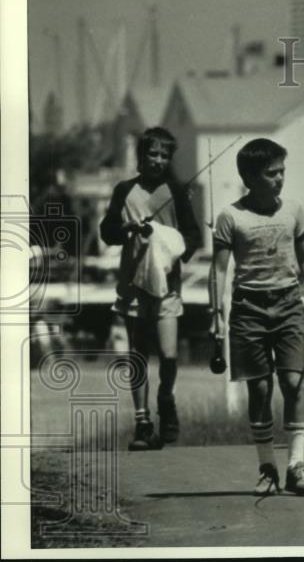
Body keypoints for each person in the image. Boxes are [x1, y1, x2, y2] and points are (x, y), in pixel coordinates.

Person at [212, 138, 304, 495]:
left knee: (294, 383)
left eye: (282, 172)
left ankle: (297, 466)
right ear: (250, 177)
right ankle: (267, 468)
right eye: (271, 173)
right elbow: (219, 271)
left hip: (289, 304)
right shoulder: (231, 216)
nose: (279, 179)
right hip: (249, 309)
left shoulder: (293, 210)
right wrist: (216, 315)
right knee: (260, 390)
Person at [100, 127, 201, 451]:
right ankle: (142, 422)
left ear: (169, 159)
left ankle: (165, 397)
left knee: (169, 355)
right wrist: (127, 229)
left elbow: (192, 236)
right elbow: (107, 231)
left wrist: (170, 247)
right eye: (152, 154)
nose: (157, 160)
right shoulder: (124, 190)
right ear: (141, 156)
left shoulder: (175, 191)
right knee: (139, 353)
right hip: (133, 284)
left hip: (167, 285)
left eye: (164, 155)